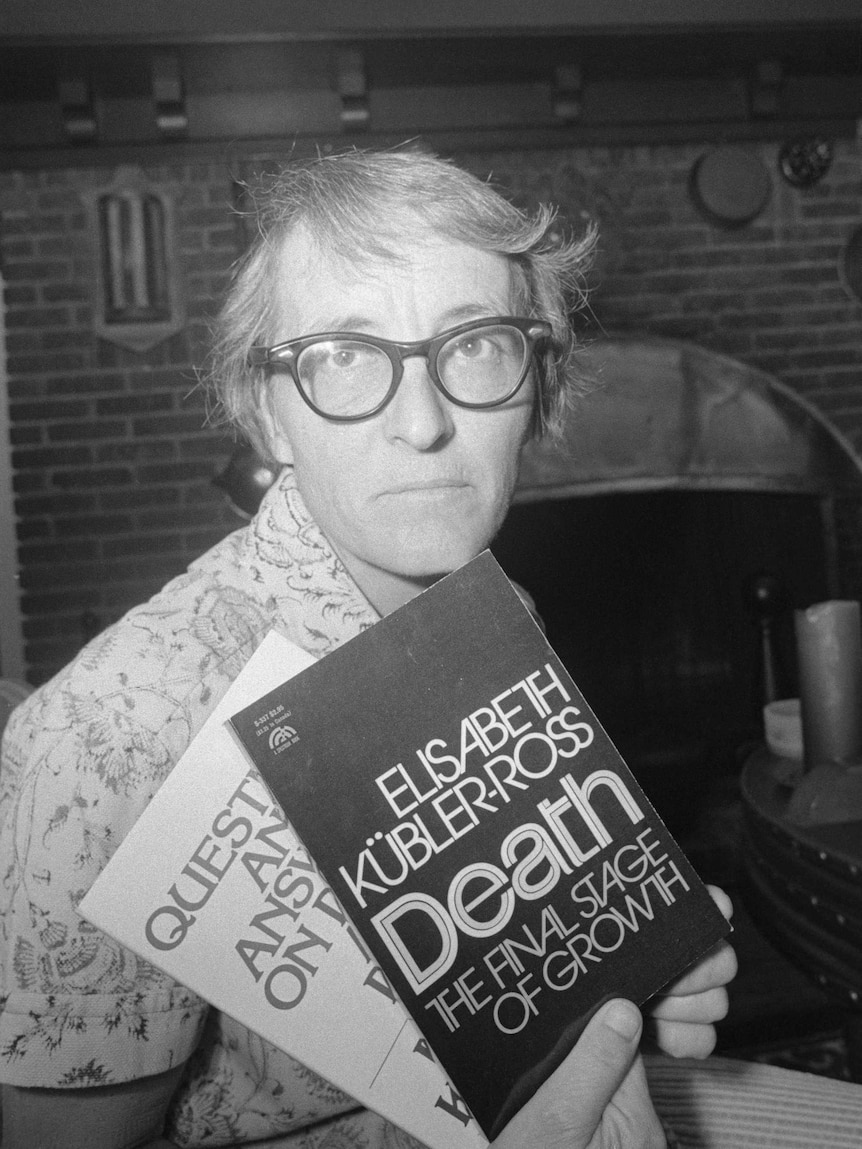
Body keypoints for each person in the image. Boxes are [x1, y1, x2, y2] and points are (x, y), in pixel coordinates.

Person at [0, 147, 858, 1149]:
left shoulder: (494, 610)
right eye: (342, 358)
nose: (422, 423)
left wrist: (613, 983)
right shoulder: (110, 737)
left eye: (477, 345)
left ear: (536, 386)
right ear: (265, 412)